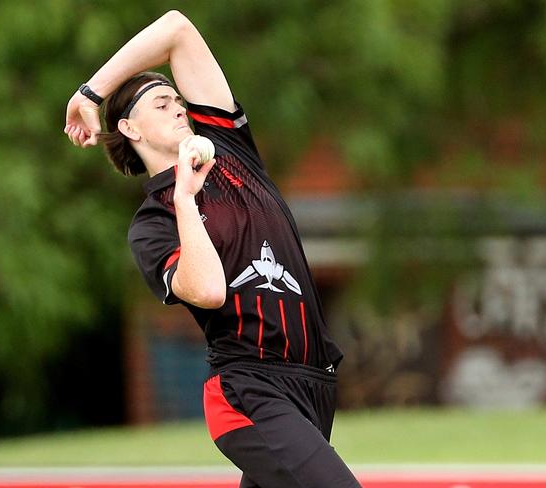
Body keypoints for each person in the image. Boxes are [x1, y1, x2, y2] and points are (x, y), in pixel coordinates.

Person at [64, 10, 361, 488]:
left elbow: (177, 28)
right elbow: (206, 290)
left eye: (179, 100)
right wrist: (184, 194)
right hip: (248, 390)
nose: (179, 107)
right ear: (130, 129)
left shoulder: (231, 149)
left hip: (315, 382)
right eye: (161, 104)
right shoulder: (154, 224)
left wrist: (90, 91)